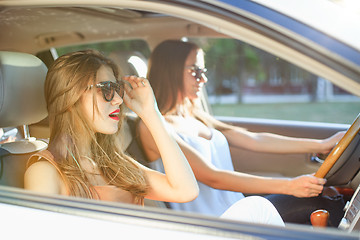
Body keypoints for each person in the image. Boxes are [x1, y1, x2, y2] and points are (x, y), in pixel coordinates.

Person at [23, 49, 284, 226]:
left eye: (117, 89)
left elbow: (185, 190)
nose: (118, 99)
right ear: (70, 96)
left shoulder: (114, 162)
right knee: (257, 211)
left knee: (258, 210)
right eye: (107, 89)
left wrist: (151, 114)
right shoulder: (45, 172)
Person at [138, 40, 346, 226]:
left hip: (237, 207)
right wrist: (290, 186)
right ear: (170, 71)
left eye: (204, 71)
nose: (203, 79)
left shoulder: (196, 116)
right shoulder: (153, 128)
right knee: (324, 202)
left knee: (331, 197)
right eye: (195, 71)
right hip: (214, 222)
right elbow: (213, 177)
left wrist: (321, 144)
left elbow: (255, 140)